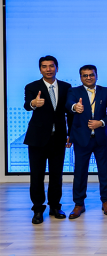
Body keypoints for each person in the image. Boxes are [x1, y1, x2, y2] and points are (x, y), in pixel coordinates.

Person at [23, 55, 73, 224]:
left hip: (58, 138)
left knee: (56, 175)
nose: (48, 69)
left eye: (51, 66)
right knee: (36, 175)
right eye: (44, 66)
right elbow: (26, 104)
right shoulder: (32, 86)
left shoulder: (66, 87)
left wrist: (70, 134)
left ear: (57, 68)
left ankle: (55, 206)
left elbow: (70, 113)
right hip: (37, 139)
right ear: (40, 69)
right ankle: (37, 209)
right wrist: (33, 104)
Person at [65, 65, 107, 219]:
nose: (88, 78)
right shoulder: (74, 91)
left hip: (100, 138)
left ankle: (106, 201)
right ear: (81, 77)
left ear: (96, 75)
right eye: (85, 75)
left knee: (104, 171)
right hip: (81, 139)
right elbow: (68, 105)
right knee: (80, 172)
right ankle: (79, 204)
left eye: (91, 75)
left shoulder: (105, 91)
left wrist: (101, 122)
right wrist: (75, 107)